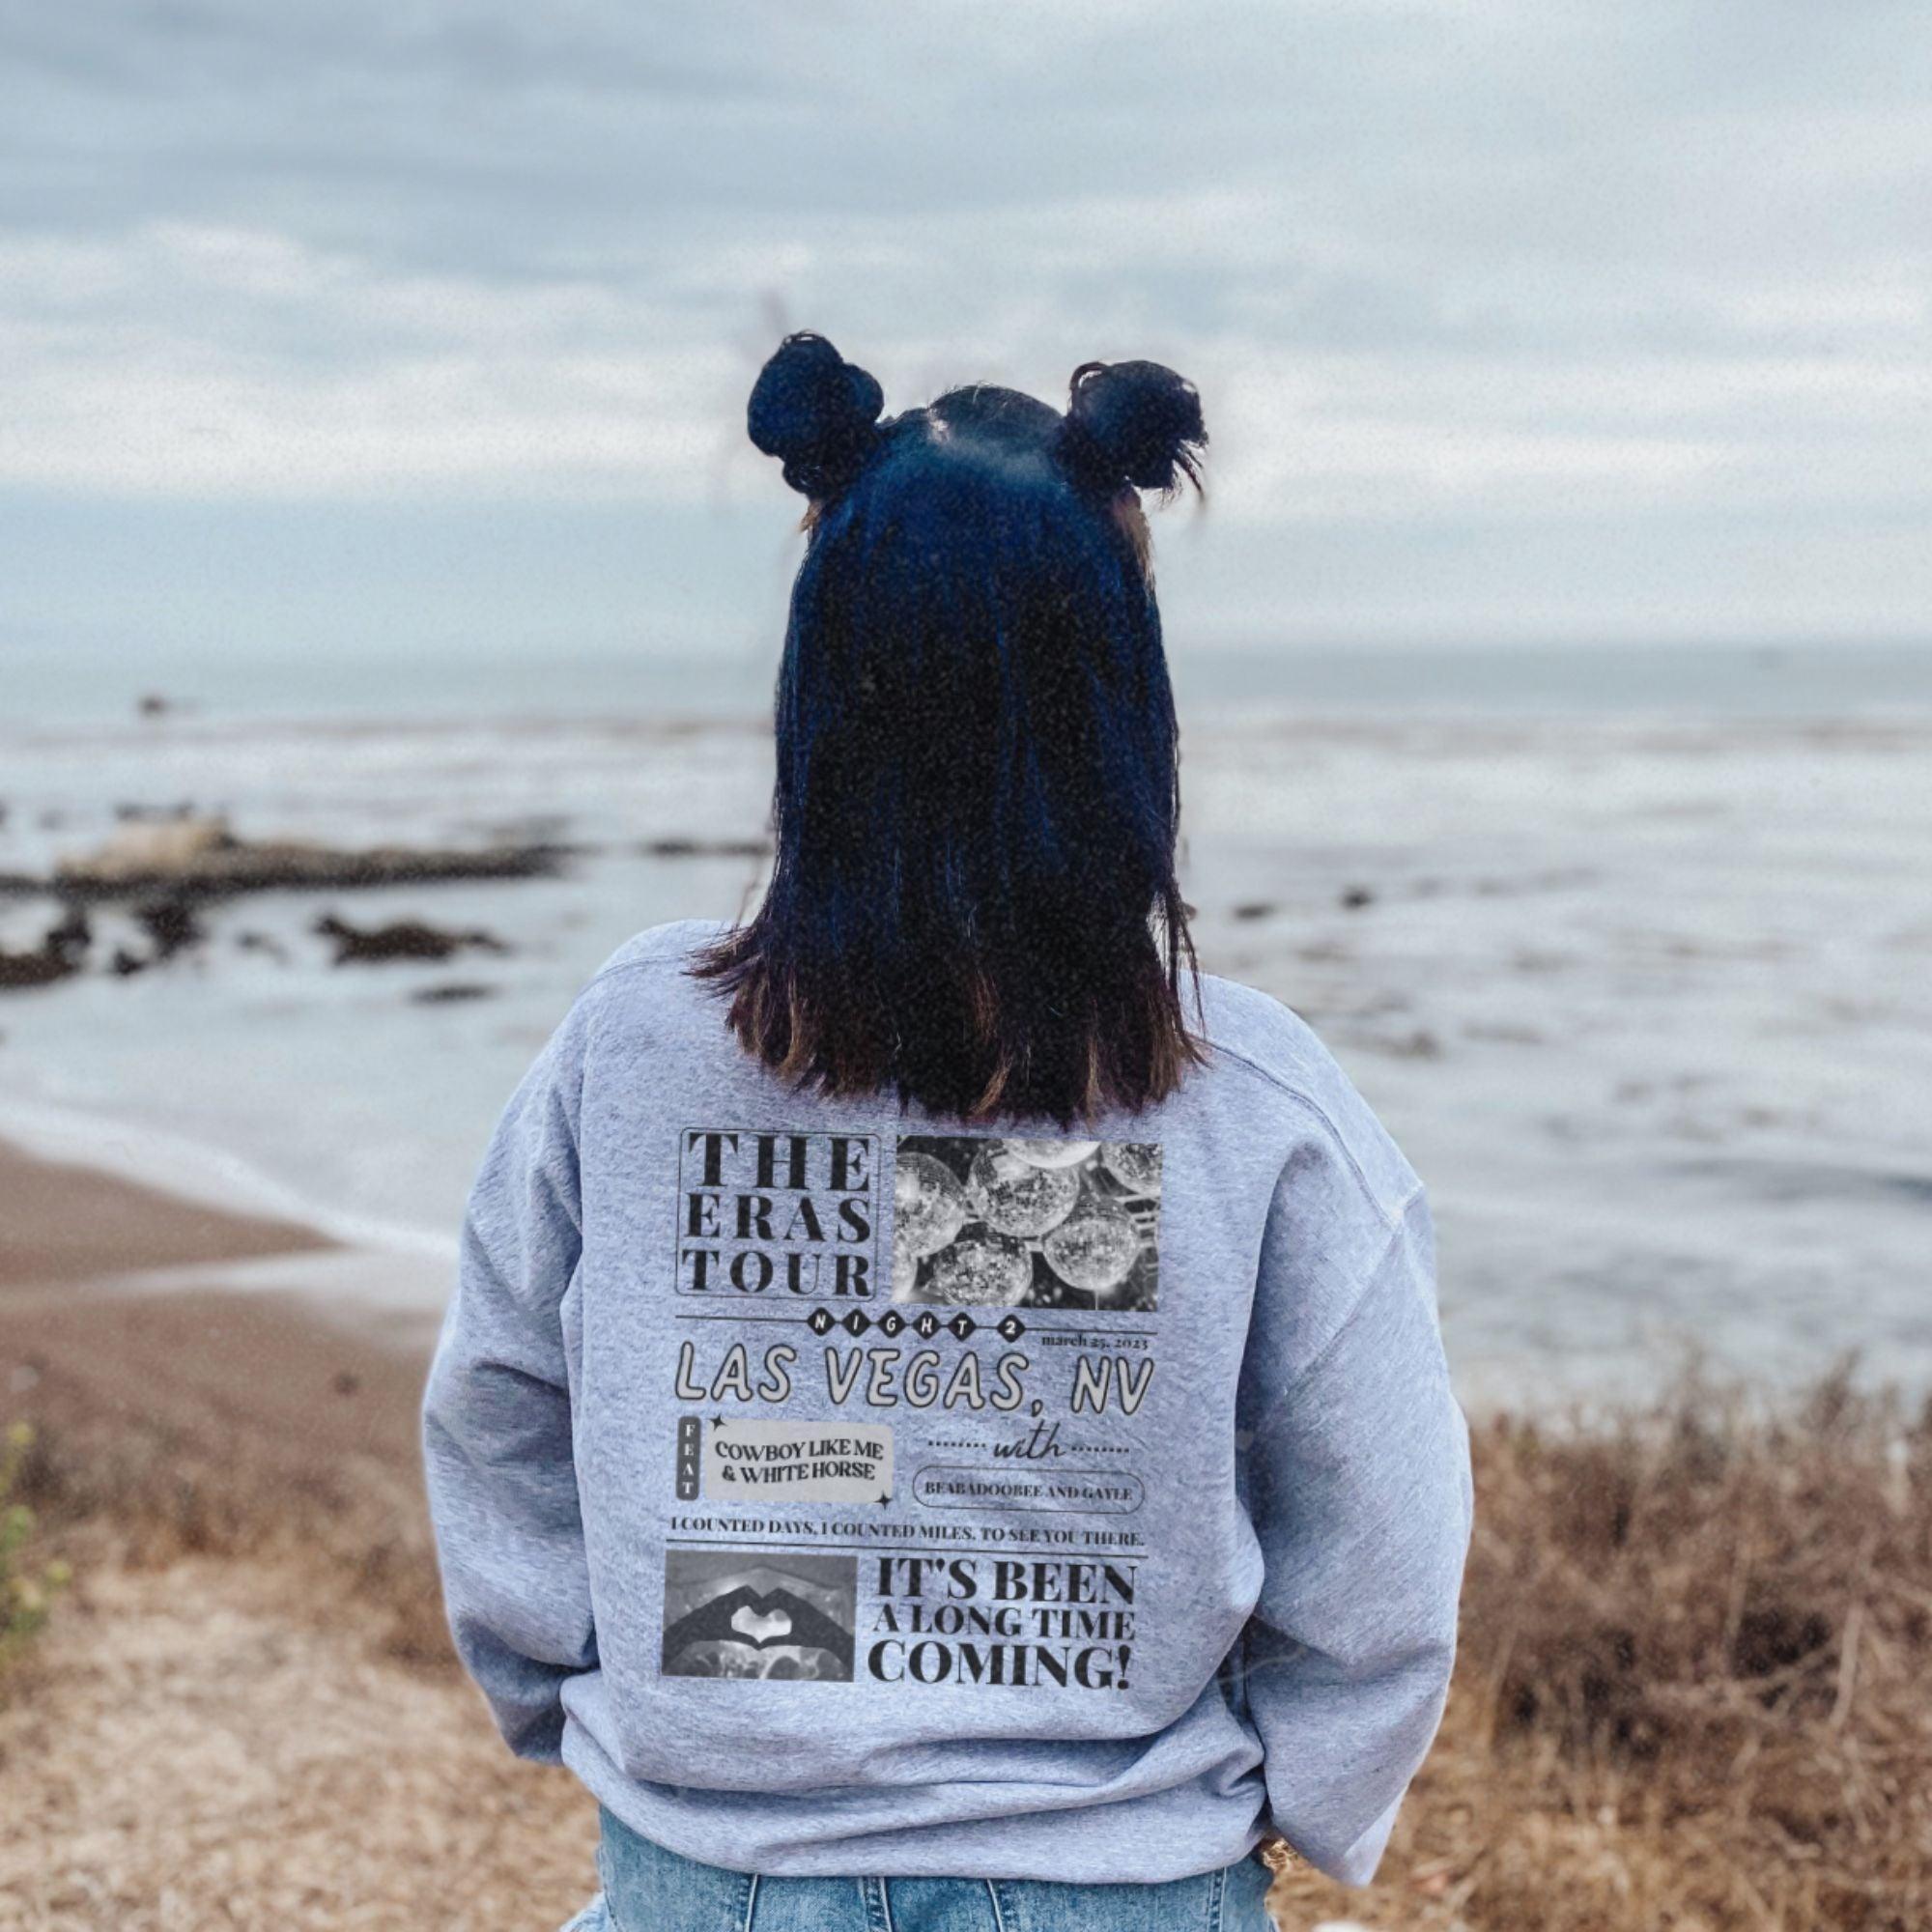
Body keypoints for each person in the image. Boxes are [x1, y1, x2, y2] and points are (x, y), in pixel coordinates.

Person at [422, 332, 1473, 1932]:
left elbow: (498, 1400)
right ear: (1120, 706)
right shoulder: (1250, 1103)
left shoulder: (630, 1047)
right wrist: (1282, 1799)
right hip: (1120, 1880)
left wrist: (587, 1687)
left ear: (820, 693)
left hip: (709, 1871)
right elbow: (1385, 1535)